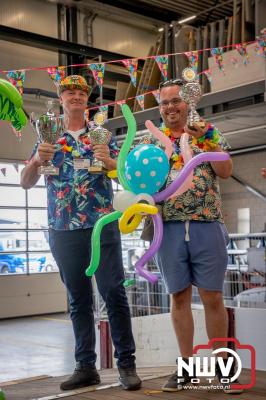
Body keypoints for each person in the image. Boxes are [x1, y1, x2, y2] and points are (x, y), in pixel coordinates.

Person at [21, 75, 141, 392]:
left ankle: (126, 365)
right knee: (78, 300)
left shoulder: (102, 135)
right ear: (61, 99)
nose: (75, 96)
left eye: (81, 93)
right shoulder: (47, 137)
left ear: (87, 101)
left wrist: (110, 160)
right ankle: (85, 366)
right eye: (69, 92)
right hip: (63, 228)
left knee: (114, 293)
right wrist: (36, 160)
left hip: (102, 224)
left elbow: (127, 176)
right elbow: (25, 181)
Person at [142, 79, 242, 394]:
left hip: (207, 223)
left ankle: (225, 372)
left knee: (213, 297)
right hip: (167, 227)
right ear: (159, 108)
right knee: (179, 297)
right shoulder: (151, 141)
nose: (171, 107)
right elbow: (138, 181)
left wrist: (209, 141)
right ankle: (187, 370)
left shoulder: (209, 132)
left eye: (176, 101)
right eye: (164, 102)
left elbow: (226, 172)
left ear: (188, 103)